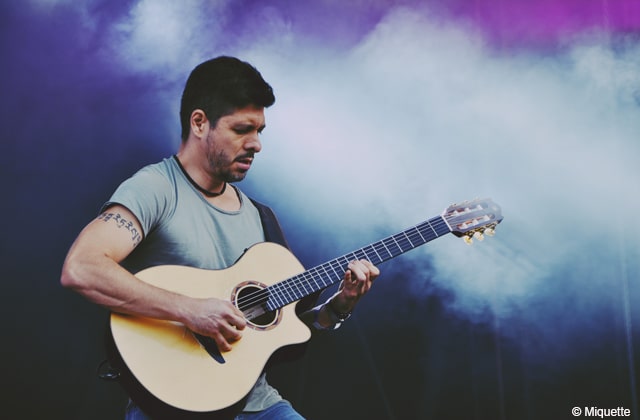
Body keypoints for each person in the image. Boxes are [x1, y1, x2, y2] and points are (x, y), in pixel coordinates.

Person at [60, 56, 379, 419]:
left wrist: (340, 306)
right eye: (242, 129)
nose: (256, 144)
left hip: (258, 405)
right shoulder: (155, 188)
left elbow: (288, 334)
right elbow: (82, 268)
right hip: (174, 405)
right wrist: (190, 310)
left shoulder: (261, 218)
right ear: (199, 123)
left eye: (260, 131)